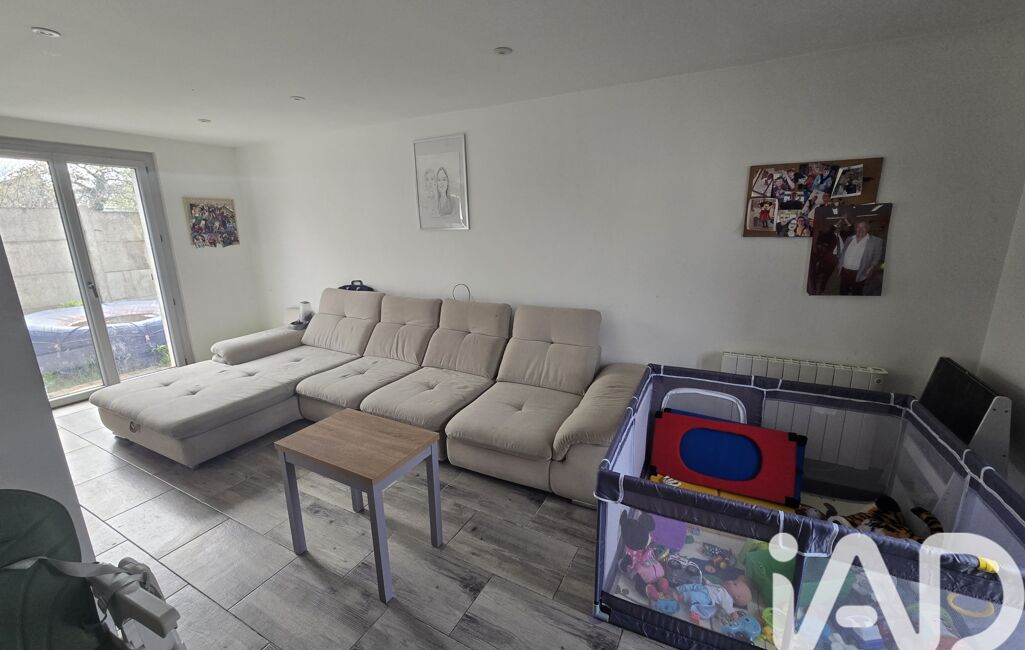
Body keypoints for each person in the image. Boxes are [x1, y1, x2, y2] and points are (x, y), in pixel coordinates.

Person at [839, 220, 883, 295]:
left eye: (863, 227)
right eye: (858, 227)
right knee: (843, 290)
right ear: (855, 228)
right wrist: (840, 264)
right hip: (845, 270)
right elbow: (843, 252)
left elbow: (877, 256)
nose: (860, 229)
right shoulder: (849, 238)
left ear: (867, 229)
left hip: (860, 272)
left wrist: (871, 267)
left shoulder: (876, 241)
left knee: (857, 291)